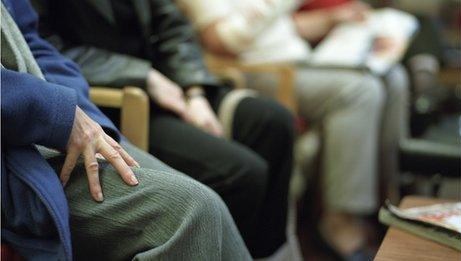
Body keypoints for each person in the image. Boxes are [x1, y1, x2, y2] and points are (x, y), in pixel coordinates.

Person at [31, 0, 295, 258]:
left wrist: (194, 92)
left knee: (273, 121)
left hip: (171, 81)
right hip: (119, 96)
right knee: (241, 173)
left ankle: (265, 253)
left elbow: (173, 27)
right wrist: (144, 76)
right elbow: (45, 49)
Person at [176, 0, 409, 259]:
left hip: (297, 61)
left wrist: (333, 19)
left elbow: (282, 28)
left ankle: (390, 196)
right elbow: (225, 41)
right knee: (360, 91)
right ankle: (340, 221)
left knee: (393, 76)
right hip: (255, 69)